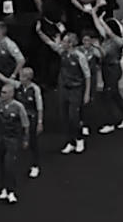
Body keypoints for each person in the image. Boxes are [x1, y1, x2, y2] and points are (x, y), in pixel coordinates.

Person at [0, 60, 45, 179]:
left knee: (32, 142)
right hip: (17, 117)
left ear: (28, 78)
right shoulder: (18, 86)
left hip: (31, 117)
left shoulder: (35, 89)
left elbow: (39, 106)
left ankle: (35, 165)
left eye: (21, 76)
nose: (19, 78)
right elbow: (4, 79)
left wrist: (40, 122)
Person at [35, 25, 91, 154]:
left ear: (70, 43)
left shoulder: (79, 56)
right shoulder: (62, 52)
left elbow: (87, 75)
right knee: (64, 116)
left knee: (74, 116)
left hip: (76, 89)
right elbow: (49, 42)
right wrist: (39, 32)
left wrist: (86, 93)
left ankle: (79, 139)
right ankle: (70, 141)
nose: (61, 43)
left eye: (64, 41)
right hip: (64, 88)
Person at [0, 78, 29, 205]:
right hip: (0, 138)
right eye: (1, 92)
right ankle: (2, 188)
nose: (2, 94)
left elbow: (25, 124)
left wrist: (25, 139)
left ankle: (11, 191)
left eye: (4, 93)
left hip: (12, 139)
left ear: (11, 94)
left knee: (9, 166)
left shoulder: (18, 107)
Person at [89, 7, 123, 134]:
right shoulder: (107, 39)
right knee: (115, 94)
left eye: (106, 27)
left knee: (107, 96)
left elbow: (102, 52)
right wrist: (94, 15)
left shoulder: (117, 41)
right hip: (106, 69)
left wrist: (102, 22)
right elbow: (99, 27)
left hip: (113, 69)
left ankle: (110, 123)